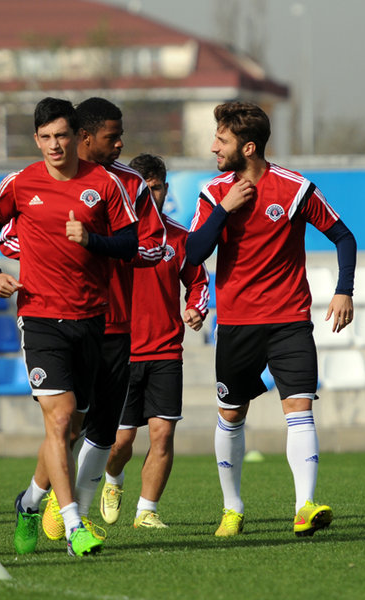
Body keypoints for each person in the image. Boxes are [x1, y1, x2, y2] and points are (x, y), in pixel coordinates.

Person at [185, 101, 357, 537]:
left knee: (299, 408)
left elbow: (343, 237)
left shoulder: (295, 188)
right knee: (231, 414)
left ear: (248, 147)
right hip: (237, 323)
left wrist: (344, 290)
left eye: (221, 140)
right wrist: (224, 209)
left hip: (289, 321)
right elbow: (193, 253)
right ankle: (232, 508)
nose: (213, 147)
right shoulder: (213, 193)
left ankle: (304, 506)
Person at [0, 97, 138, 557]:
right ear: (36, 139)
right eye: (46, 137)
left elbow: (130, 243)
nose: (54, 145)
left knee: (70, 429)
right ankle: (73, 527)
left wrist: (92, 240)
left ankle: (29, 503)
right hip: (40, 316)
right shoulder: (21, 183)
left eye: (61, 136)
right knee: (61, 417)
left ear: (76, 137)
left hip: (90, 319)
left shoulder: (104, 184)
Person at [22, 98, 166, 542]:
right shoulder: (38, 183)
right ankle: (40, 503)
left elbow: (153, 245)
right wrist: (53, 245)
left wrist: (99, 243)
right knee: (65, 424)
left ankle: (72, 517)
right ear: (83, 137)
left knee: (102, 430)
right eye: (112, 136)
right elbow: (10, 236)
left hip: (116, 321)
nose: (120, 144)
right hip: (60, 315)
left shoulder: (130, 185)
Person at [100, 153, 209, 529]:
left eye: (158, 188)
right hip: (123, 350)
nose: (152, 195)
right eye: (144, 189)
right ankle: (113, 478)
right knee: (120, 442)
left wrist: (195, 308)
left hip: (166, 351)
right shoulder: (117, 238)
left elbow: (198, 282)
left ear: (166, 189)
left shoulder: (178, 238)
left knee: (162, 434)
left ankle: (146, 510)